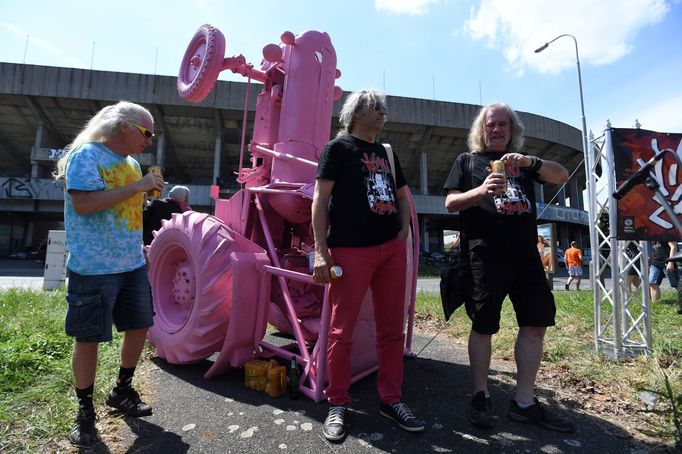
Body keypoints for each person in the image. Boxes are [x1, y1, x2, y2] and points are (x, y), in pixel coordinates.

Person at [444, 102, 574, 432]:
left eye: (503, 124)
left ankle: (524, 402)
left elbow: (563, 175)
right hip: (486, 255)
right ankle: (480, 395)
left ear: (512, 130)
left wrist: (532, 161)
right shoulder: (467, 161)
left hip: (527, 257)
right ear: (481, 129)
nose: (497, 130)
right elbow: (450, 203)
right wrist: (480, 190)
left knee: (535, 323)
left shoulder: (525, 165)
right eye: (491, 125)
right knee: (484, 325)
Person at [311, 89, 425, 442]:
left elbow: (403, 196)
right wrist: (321, 250)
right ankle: (338, 402)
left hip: (390, 251)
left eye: (383, 108)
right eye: (375, 107)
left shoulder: (387, 153)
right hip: (349, 251)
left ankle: (391, 399)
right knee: (341, 331)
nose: (382, 112)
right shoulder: (338, 148)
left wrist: (402, 233)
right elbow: (320, 198)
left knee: (391, 330)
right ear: (356, 112)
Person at [54, 101, 164, 448]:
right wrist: (136, 187)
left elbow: (121, 207)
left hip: (130, 262)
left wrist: (145, 194)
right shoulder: (87, 156)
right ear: (123, 127)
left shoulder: (131, 163)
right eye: (146, 132)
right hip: (94, 265)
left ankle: (122, 390)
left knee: (140, 325)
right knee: (88, 339)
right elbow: (84, 204)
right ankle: (85, 412)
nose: (149, 140)